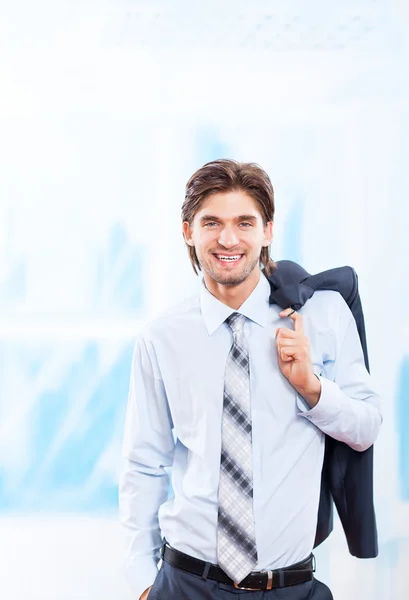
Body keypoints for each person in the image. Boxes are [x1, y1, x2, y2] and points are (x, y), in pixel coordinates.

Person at [118, 159, 382, 599]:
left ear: (267, 231)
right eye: (211, 223)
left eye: (245, 222)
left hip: (291, 586)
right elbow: (145, 463)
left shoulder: (322, 316)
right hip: (186, 583)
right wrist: (142, 581)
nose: (228, 239)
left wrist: (312, 390)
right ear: (188, 231)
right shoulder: (161, 338)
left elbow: (366, 428)